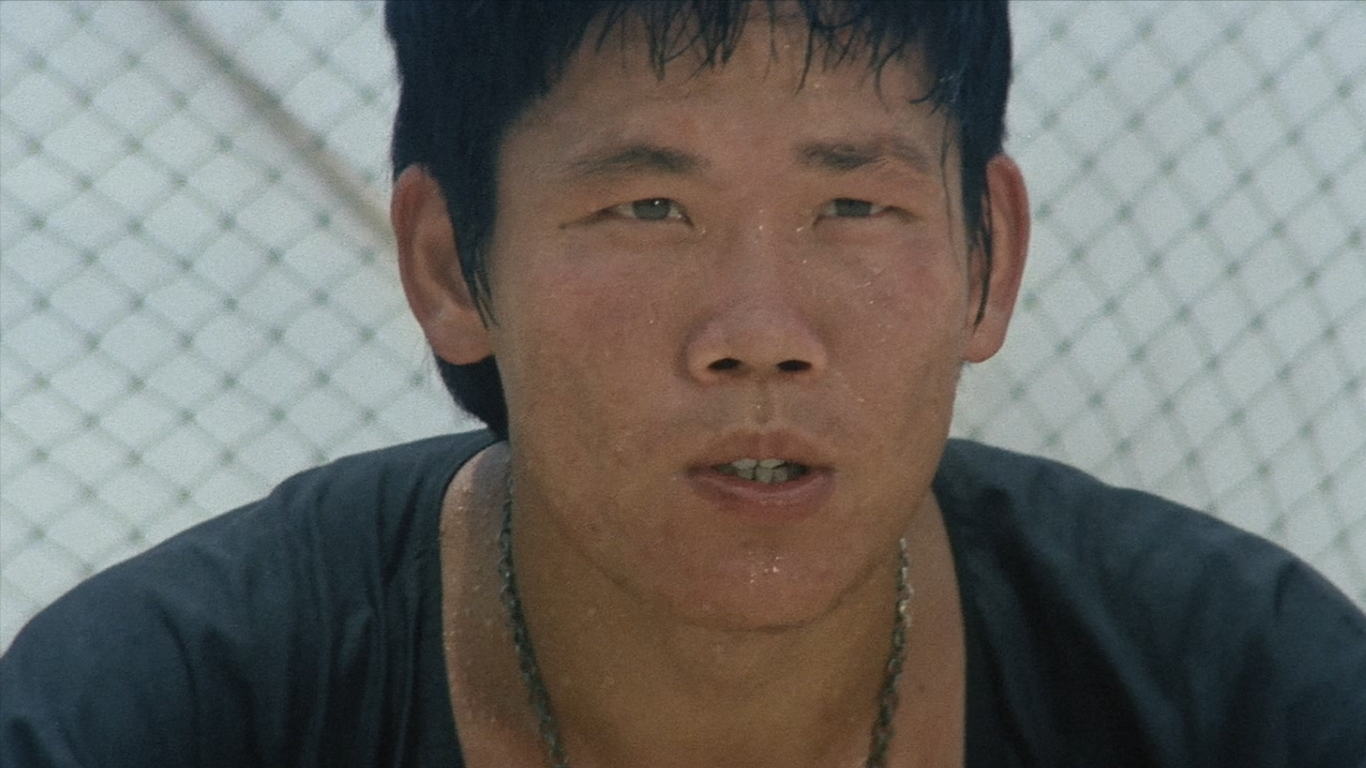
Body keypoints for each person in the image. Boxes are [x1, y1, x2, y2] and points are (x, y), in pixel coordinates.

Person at [3, 2, 1364, 766]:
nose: (759, 333)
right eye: (648, 207)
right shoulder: (162, 713)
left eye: (853, 205)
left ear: (987, 259)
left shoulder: (1239, 699)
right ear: (449, 264)